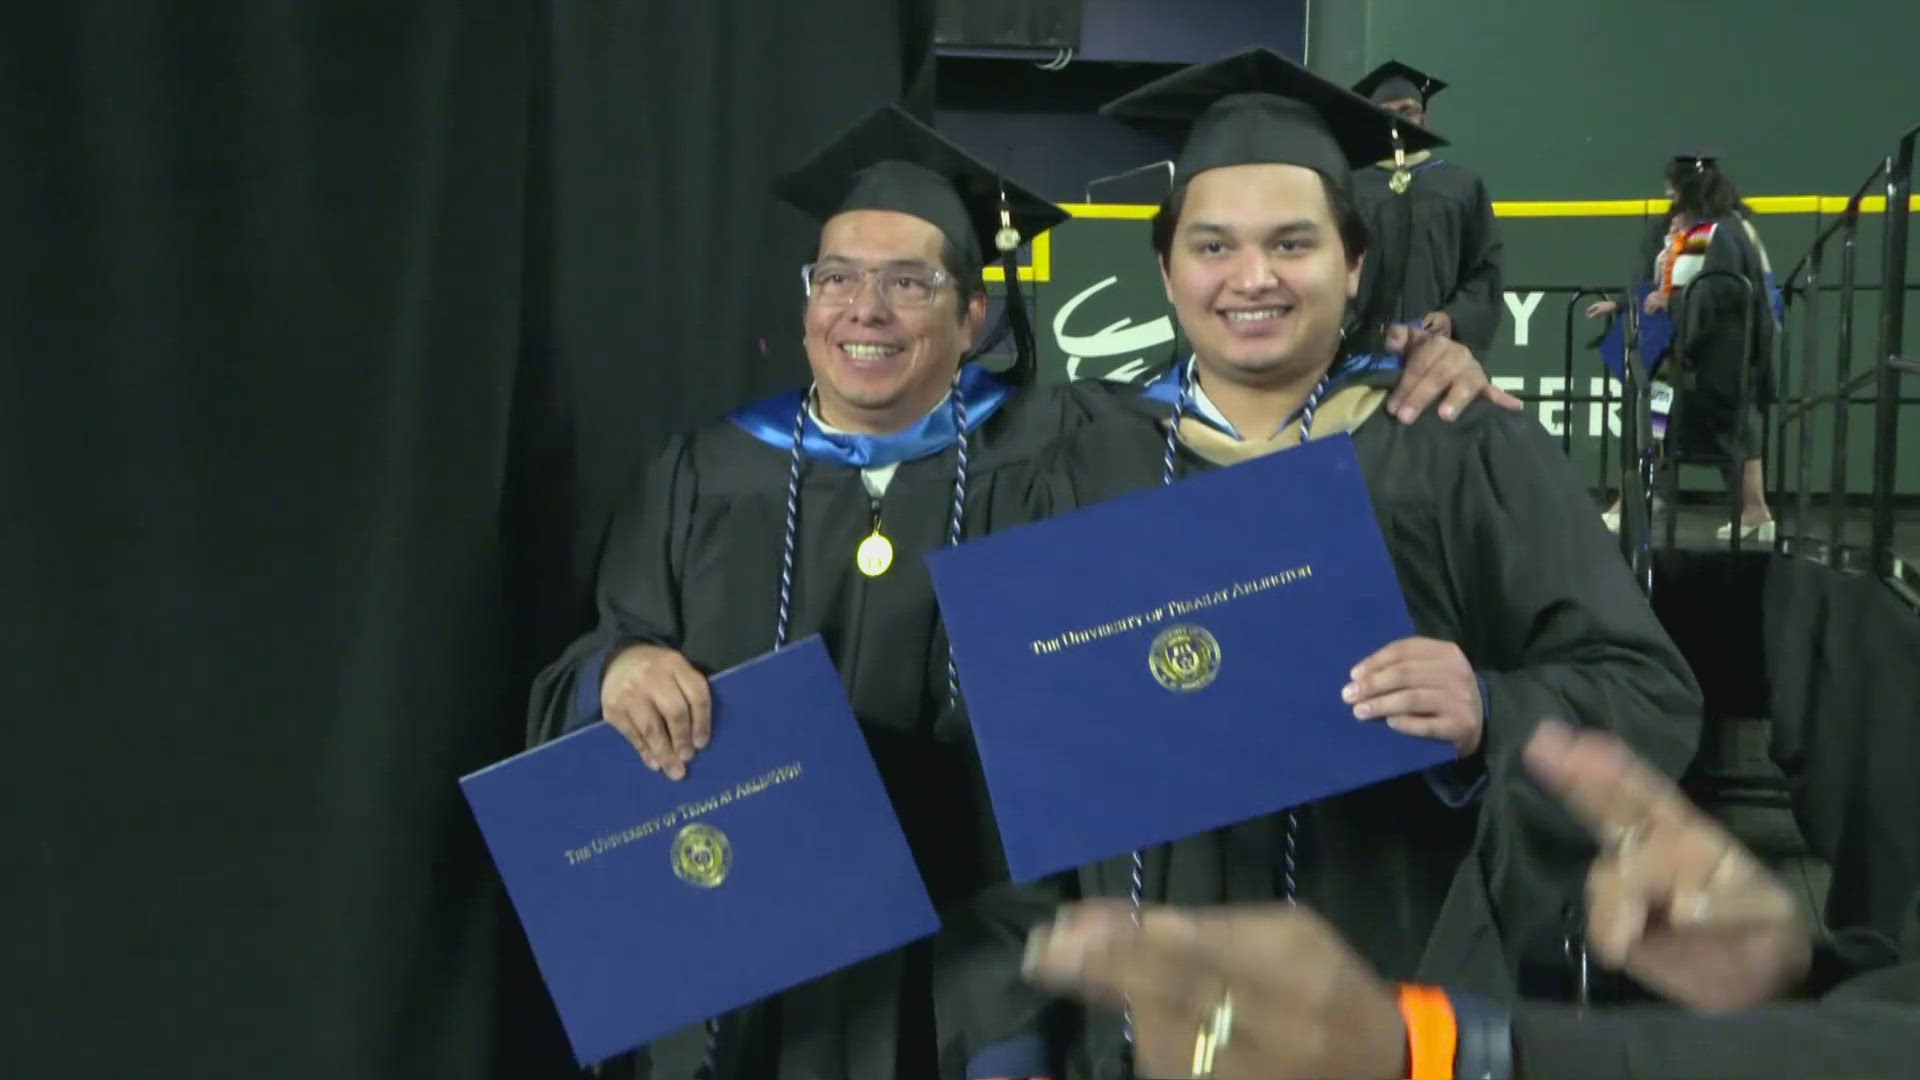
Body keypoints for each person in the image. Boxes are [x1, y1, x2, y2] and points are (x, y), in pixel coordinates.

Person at [525, 104, 1512, 1080]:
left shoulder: (1067, 452)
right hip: (755, 965)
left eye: (910, 282)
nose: (866, 310)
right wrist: (620, 670)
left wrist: (1410, 362)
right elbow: (593, 663)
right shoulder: (701, 474)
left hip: (988, 964)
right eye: (838, 279)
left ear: (975, 314)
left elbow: (1247, 402)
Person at [1021, 48, 1702, 1077]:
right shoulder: (1078, 453)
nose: (1251, 278)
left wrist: (1489, 706)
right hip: (1141, 1019)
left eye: (1292, 243)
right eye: (1213, 246)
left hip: (1389, 1003)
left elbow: (1652, 695)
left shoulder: (1461, 441)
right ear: (1165, 271)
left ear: (1355, 263)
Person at [1022, 719, 1918, 1079]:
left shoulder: (1468, 438)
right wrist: (1795, 989)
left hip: (1403, 930)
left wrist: (1446, 1053)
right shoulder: (1083, 445)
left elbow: (1632, 680)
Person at [1586, 154, 1781, 541]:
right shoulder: (1708, 229)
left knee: (1728, 426)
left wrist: (1671, 305)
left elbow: (1714, 289)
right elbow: (1672, 282)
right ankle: (1642, 498)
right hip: (1688, 348)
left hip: (1715, 351)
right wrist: (1629, 303)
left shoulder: (1721, 231)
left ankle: (1754, 511)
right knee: (1657, 417)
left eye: (1673, 187)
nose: (1667, 194)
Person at [1349, 60, 1504, 356]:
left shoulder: (1461, 185)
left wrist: (1454, 318)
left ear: (1424, 118)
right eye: (1386, 114)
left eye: (1408, 111)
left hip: (1438, 351)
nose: (1398, 121)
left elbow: (1485, 268)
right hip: (1362, 350)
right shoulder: (1350, 187)